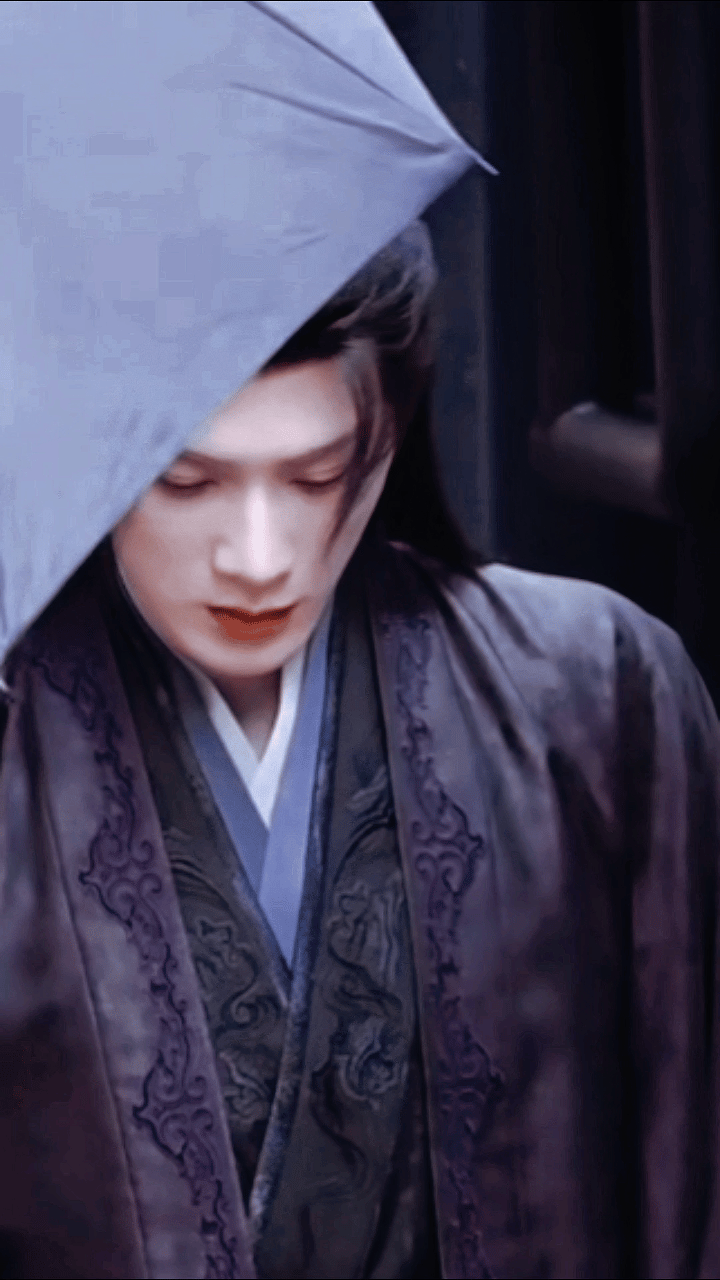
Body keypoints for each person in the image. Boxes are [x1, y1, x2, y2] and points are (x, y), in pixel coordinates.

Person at [2, 217, 720, 1280]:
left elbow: (690, 1178)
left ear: (383, 444)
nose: (259, 559)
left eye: (315, 475)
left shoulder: (596, 688)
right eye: (188, 482)